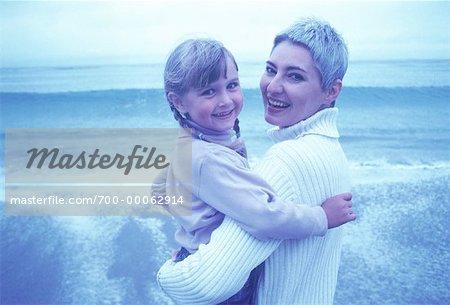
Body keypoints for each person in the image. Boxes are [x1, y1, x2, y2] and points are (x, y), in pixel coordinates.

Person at [157, 18, 352, 305]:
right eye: (271, 70)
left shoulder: (285, 159)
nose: (273, 87)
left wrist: (176, 260)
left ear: (331, 91)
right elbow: (264, 216)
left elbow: (205, 281)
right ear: (179, 102)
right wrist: (321, 217)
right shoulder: (332, 152)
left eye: (295, 76)